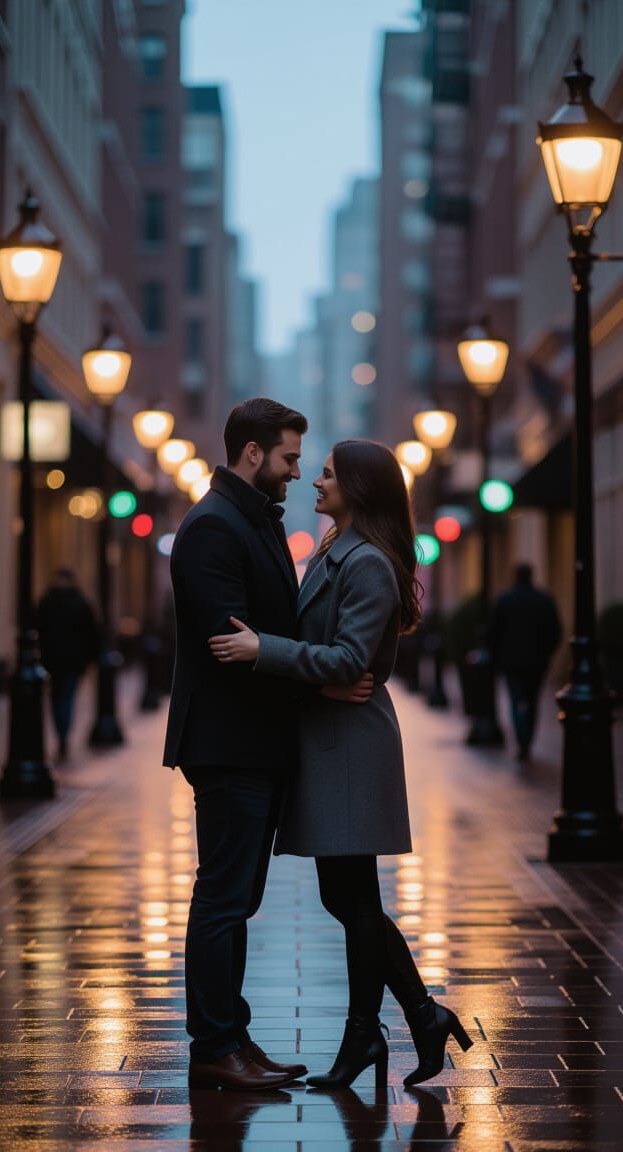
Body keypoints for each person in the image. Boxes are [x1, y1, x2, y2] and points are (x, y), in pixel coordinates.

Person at [210, 440, 472, 1091]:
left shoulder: (368, 563)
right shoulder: (336, 550)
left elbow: (350, 660)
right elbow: (330, 659)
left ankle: (375, 1031)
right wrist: (312, 676)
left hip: (351, 744)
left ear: (357, 486)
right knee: (348, 896)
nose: (315, 480)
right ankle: (416, 1017)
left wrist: (262, 651)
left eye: (327, 473)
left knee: (352, 896)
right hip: (331, 736)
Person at [164, 398, 370, 1092]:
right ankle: (214, 1046)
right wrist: (319, 681)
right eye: (288, 457)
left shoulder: (248, 519)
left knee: (237, 900)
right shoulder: (213, 527)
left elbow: (268, 636)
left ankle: (233, 1037)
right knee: (223, 897)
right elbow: (232, 646)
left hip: (254, 744)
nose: (296, 471)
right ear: (252, 453)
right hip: (229, 744)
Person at [487, 562, 562, 760]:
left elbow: (493, 632)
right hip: (537, 662)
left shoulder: (505, 600)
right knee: (532, 700)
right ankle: (527, 740)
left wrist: (497, 656)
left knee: (515, 700)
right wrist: (546, 652)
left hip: (511, 662)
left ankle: (521, 738)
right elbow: (555, 631)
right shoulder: (543, 600)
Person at [36, 567, 99, 761]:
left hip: (70, 662)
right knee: (58, 698)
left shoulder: (73, 603)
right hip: (56, 661)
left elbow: (90, 634)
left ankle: (63, 735)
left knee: (64, 698)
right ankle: (62, 734)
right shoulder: (49, 602)